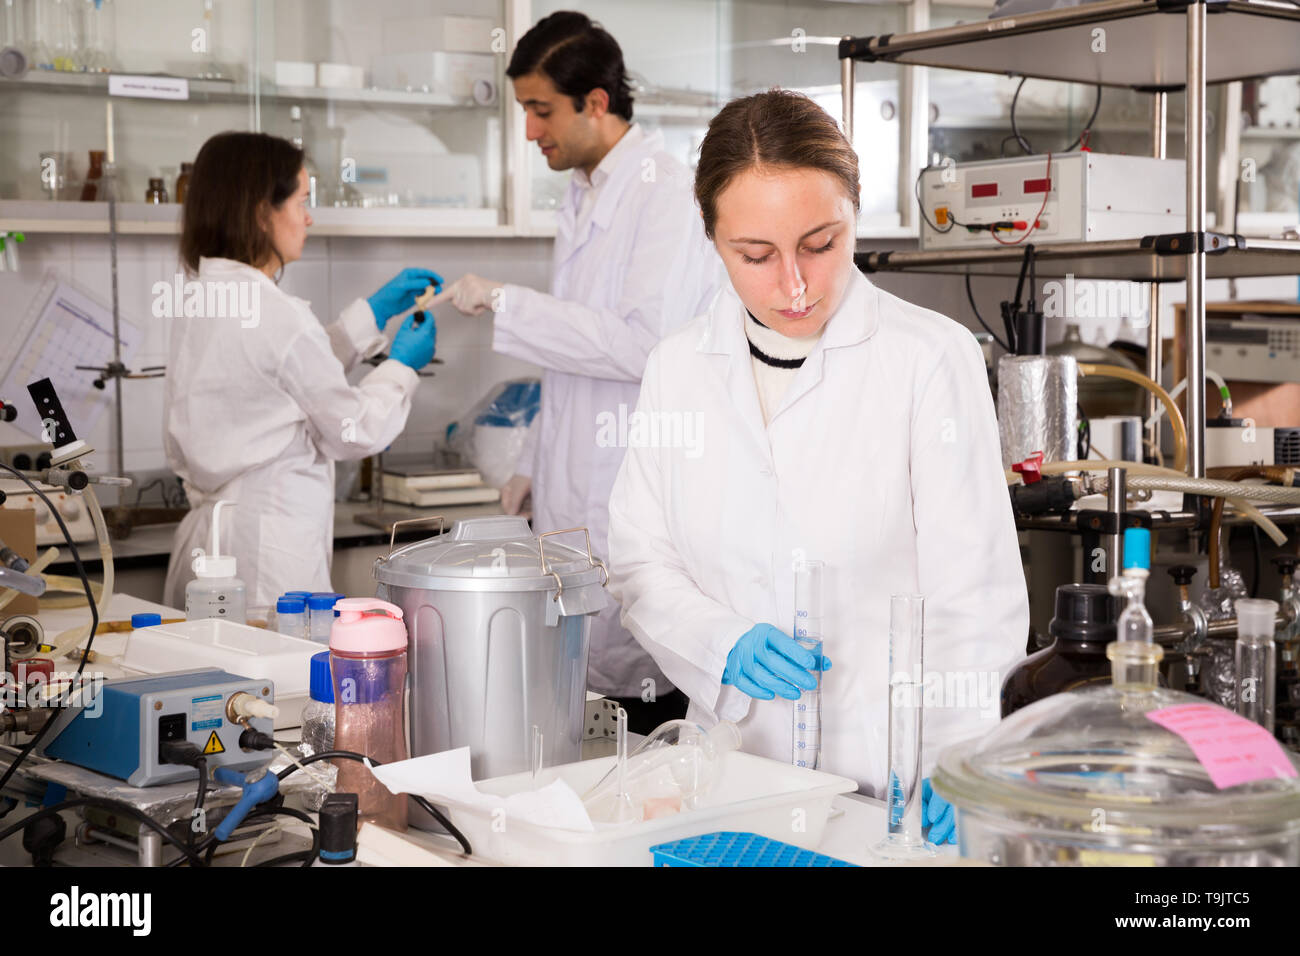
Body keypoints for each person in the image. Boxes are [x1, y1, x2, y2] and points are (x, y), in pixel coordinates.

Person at [606, 90, 1028, 843]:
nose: (794, 285)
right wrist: (720, 639)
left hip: (889, 791)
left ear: (854, 215)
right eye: (756, 256)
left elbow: (976, 597)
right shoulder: (678, 368)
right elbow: (639, 560)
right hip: (727, 786)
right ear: (712, 238)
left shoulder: (929, 359)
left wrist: (960, 758)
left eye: (820, 243)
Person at [445, 12, 724, 734]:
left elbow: (642, 344)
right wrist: (538, 456)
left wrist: (509, 302)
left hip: (632, 480)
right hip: (575, 488)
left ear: (596, 102)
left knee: (634, 693)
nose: (531, 132)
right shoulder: (586, 189)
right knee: (576, 693)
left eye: (542, 111)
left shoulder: (664, 190)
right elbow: (573, 352)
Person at [163, 131, 442, 609]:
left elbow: (279, 380)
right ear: (260, 212)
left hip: (212, 551)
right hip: (269, 555)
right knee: (281, 681)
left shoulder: (202, 295)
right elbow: (353, 430)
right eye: (300, 201)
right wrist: (401, 367)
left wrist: (368, 316)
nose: (308, 217)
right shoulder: (278, 315)